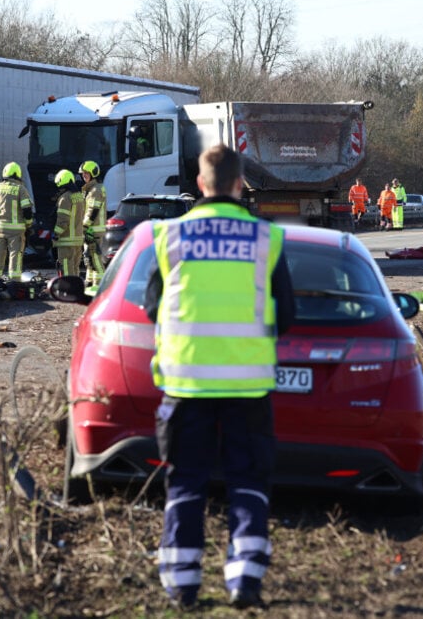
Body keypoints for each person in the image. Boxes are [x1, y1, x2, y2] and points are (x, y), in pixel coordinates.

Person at [143, 143, 295, 610]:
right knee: (247, 481)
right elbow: (286, 316)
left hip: (186, 383)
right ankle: (245, 580)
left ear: (200, 185)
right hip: (247, 386)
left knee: (186, 483)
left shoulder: (170, 237)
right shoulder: (266, 239)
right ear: (239, 184)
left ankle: (183, 585)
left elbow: (152, 307)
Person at [0, 162, 34, 281]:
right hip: (16, 231)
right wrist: (29, 224)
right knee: (15, 255)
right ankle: (14, 282)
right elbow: (27, 210)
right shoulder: (21, 189)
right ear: (18, 174)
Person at [52, 169, 86, 277]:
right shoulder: (80, 196)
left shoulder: (65, 198)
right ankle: (76, 290)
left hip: (66, 241)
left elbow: (63, 221)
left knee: (66, 269)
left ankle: (68, 290)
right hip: (78, 240)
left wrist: (56, 234)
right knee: (75, 268)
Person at [79, 160, 106, 290]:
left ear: (93, 174)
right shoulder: (91, 189)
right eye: (83, 174)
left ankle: (100, 284)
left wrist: (85, 227)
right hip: (90, 229)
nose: (84, 176)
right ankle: (90, 281)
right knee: (88, 257)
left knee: (95, 258)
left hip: (93, 230)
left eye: (86, 174)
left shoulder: (96, 190)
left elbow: (93, 211)